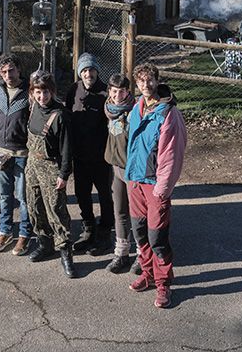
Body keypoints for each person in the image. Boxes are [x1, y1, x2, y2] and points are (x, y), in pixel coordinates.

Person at [125, 63, 186, 308]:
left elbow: (173, 155)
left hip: (154, 185)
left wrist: (163, 189)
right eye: (141, 81)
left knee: (157, 237)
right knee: (139, 233)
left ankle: (163, 284)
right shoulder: (137, 108)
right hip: (135, 181)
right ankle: (148, 274)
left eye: (150, 80)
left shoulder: (168, 113)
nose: (145, 85)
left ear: (157, 80)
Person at [24, 70, 76, 278]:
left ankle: (65, 253)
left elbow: (67, 149)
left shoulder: (60, 115)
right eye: (37, 92)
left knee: (56, 210)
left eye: (45, 92)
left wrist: (63, 175)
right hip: (32, 164)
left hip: (51, 167)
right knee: (34, 205)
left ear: (52, 92)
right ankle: (44, 244)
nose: (41, 96)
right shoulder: (33, 107)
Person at [68, 53, 114, 254]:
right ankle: (88, 228)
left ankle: (105, 231)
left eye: (92, 70)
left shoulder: (106, 93)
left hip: (101, 157)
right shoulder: (74, 90)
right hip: (79, 155)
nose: (88, 74)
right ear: (80, 73)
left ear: (97, 71)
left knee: (104, 194)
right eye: (84, 70)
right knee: (82, 193)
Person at [0, 54, 32, 255]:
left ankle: (24, 235)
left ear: (19, 69)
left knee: (23, 197)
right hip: (1, 153)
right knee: (4, 196)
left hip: (23, 153)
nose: (8, 75)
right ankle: (5, 231)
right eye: (4, 72)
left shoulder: (29, 92)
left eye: (11, 70)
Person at [103, 73, 137, 274]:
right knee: (120, 211)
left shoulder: (134, 112)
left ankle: (142, 255)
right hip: (114, 167)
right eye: (114, 91)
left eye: (122, 91)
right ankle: (122, 253)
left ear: (128, 91)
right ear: (109, 91)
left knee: (137, 214)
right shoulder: (109, 109)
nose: (117, 95)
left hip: (131, 170)